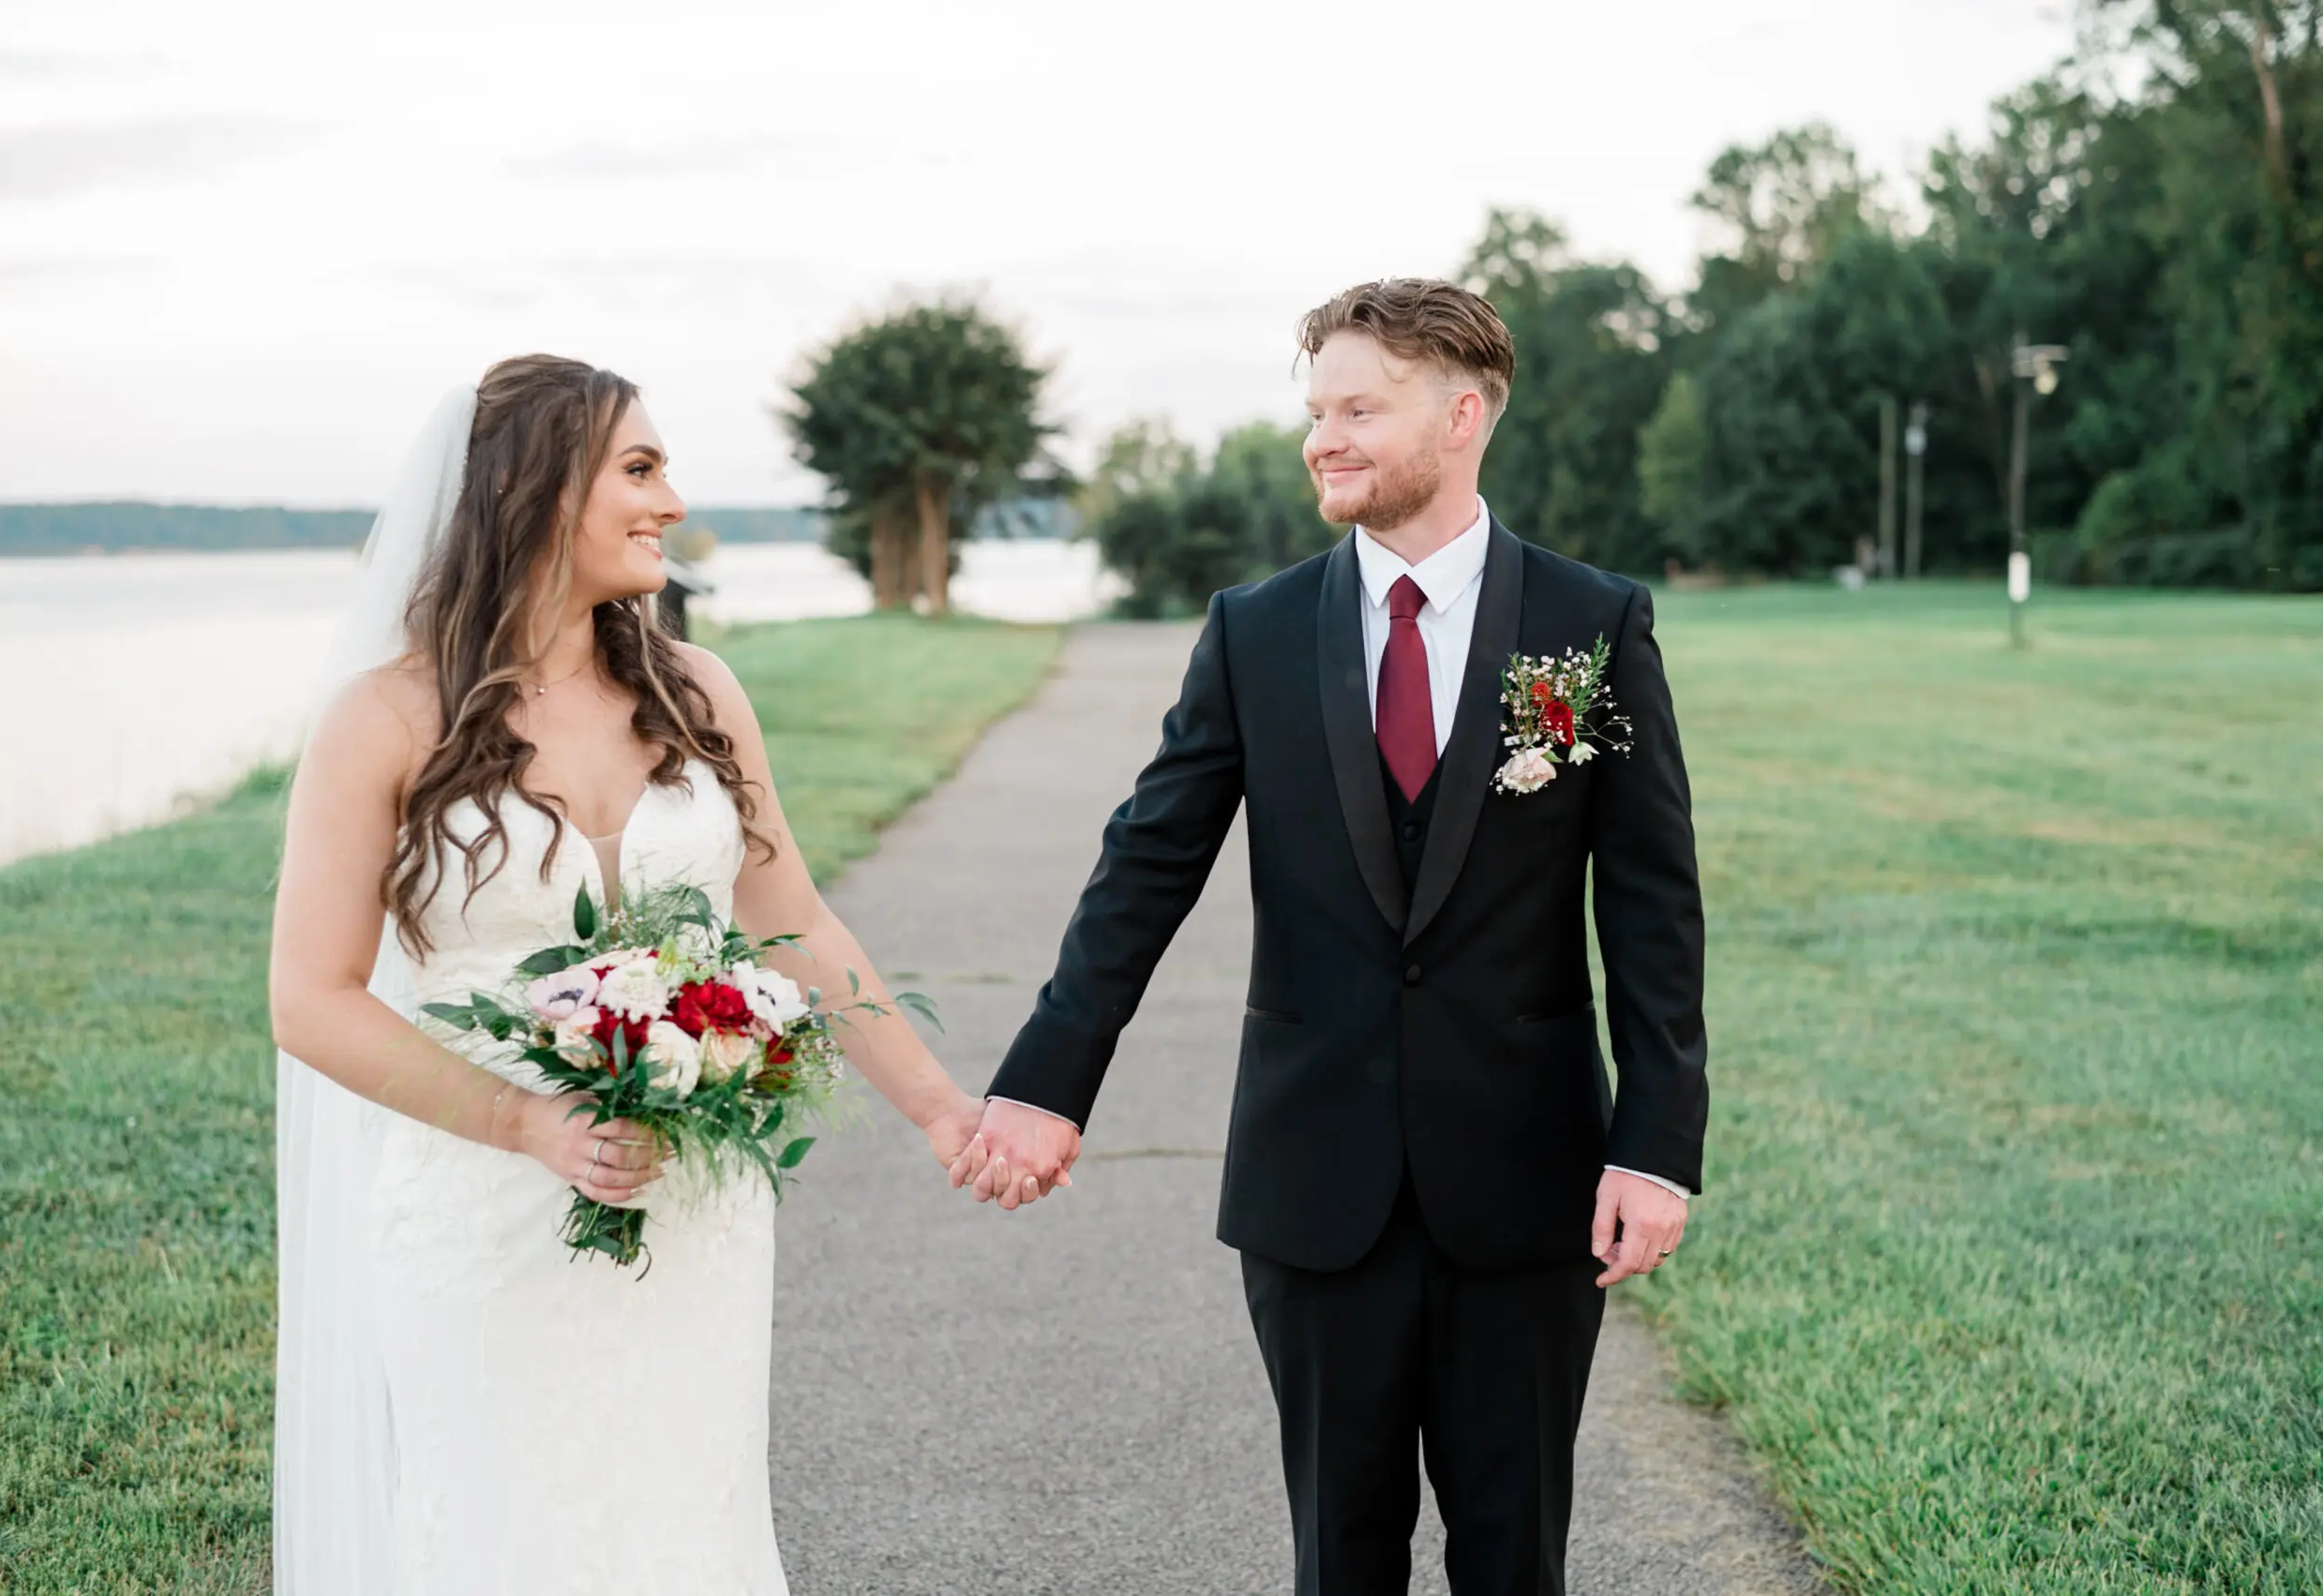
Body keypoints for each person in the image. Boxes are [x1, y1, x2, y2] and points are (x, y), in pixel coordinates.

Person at [952, 279, 1709, 1594]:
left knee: (1516, 1559)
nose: (1324, 439)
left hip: (1527, 1187)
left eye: (1361, 407)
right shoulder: (1257, 629)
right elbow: (1148, 863)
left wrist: (1655, 1145)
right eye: (1316, 411)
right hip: (1316, 1189)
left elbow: (1652, 904)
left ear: (1463, 414)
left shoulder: (1588, 625)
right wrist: (1043, 1079)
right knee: (1338, 1562)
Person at [267, 355, 983, 1594]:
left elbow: (790, 918)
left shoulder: (695, 690)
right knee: (497, 1529)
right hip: (478, 1209)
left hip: (691, 1209)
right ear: (535, 491)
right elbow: (310, 998)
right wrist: (526, 1121)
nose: (670, 499)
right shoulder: (383, 719)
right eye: (638, 469)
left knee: (684, 1524)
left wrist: (939, 1107)